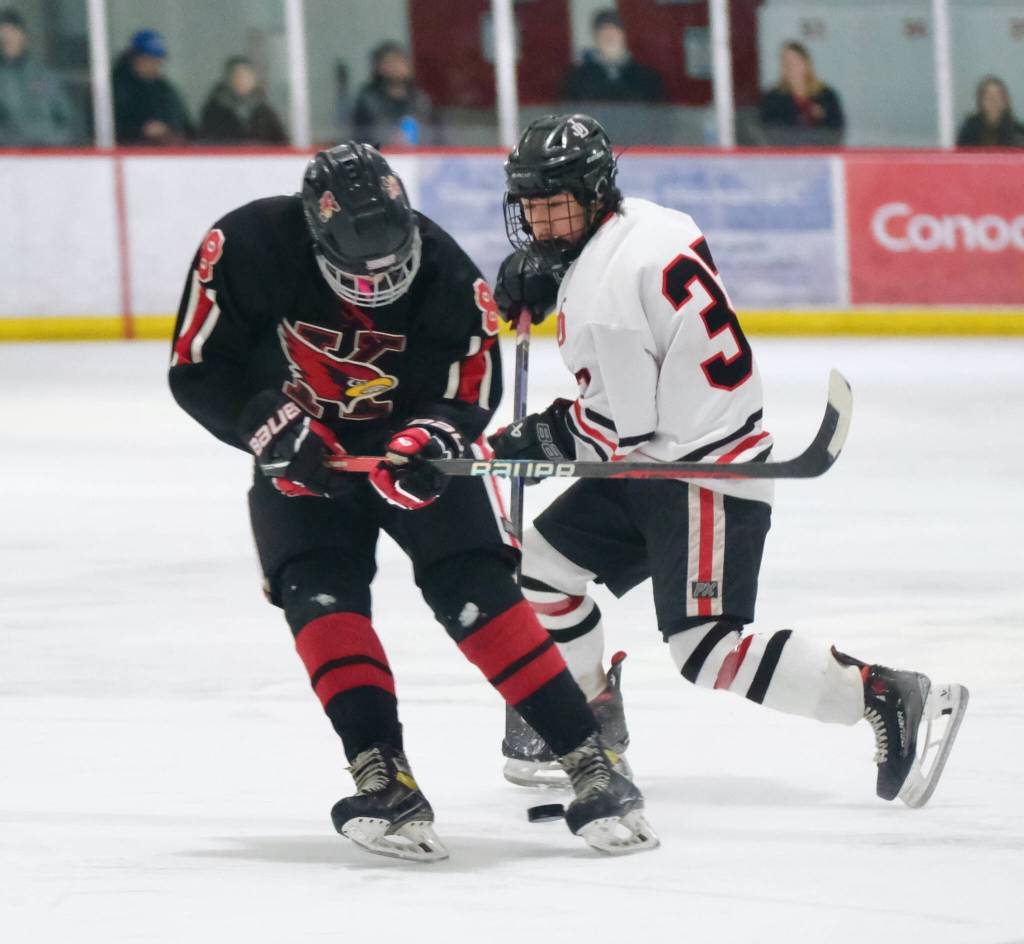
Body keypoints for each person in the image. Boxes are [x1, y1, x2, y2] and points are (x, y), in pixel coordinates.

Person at [167, 141, 657, 860]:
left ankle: (590, 762)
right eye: (355, 274)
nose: (378, 285)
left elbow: (469, 389)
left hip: (405, 441)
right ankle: (383, 776)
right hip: (302, 449)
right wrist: (265, 423)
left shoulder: (448, 273)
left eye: (393, 268)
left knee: (476, 588)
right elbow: (198, 366)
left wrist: (432, 438)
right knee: (318, 592)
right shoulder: (245, 246)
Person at [489, 113, 968, 808]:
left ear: (593, 195)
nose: (539, 224)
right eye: (531, 207)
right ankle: (590, 720)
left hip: (699, 472)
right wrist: (558, 272)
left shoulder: (602, 300)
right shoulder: (655, 221)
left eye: (554, 207)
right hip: (660, 457)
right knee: (542, 568)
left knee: (706, 649)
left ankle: (882, 693)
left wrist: (540, 437)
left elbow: (617, 426)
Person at [0, 7, 78, 146]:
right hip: (10, 153)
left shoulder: (44, 76)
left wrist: (56, 140)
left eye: (12, 33)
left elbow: (66, 116)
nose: (8, 39)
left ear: (23, 35)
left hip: (49, 151)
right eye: (4, 35)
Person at [558, 9, 663, 103]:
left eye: (614, 30)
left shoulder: (648, 79)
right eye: (603, 32)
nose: (609, 36)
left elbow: (659, 114)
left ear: (624, 35)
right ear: (595, 37)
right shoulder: (575, 79)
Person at [112, 29, 192, 145]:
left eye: (158, 61)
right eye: (149, 60)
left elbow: (186, 125)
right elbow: (110, 129)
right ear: (134, 58)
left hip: (163, 152)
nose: (154, 66)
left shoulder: (164, 89)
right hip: (130, 151)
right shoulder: (116, 89)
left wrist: (171, 130)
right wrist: (141, 130)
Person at [352, 42, 437, 147]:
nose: (396, 67)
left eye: (400, 62)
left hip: (417, 154)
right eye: (390, 62)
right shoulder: (367, 100)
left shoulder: (420, 99)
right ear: (378, 67)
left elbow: (432, 134)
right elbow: (362, 135)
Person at [759, 41, 844, 141]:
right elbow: (768, 132)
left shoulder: (826, 95)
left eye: (794, 61)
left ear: (806, 64)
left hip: (819, 149)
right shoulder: (772, 97)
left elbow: (837, 130)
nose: (788, 66)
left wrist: (822, 116)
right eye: (784, 61)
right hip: (787, 149)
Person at [198, 56, 287, 145]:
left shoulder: (264, 112)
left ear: (254, 80)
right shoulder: (213, 111)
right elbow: (205, 143)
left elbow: (282, 142)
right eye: (237, 75)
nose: (241, 80)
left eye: (246, 76)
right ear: (227, 79)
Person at [956, 76, 1024, 148]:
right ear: (981, 101)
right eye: (988, 97)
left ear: (1005, 100)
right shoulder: (970, 128)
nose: (993, 101)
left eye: (998, 97)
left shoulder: (1017, 130)